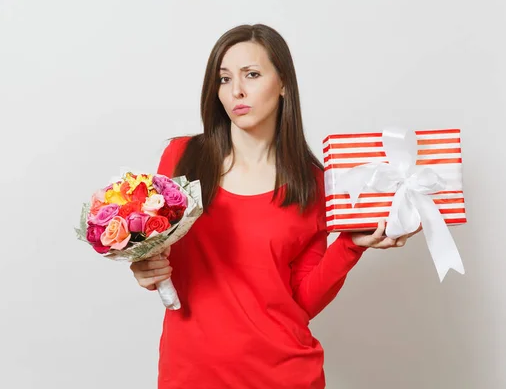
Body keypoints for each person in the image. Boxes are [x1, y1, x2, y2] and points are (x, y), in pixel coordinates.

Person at [130, 24, 419, 389]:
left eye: (251, 74)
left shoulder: (314, 185)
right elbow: (157, 255)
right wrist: (144, 267)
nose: (236, 91)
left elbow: (301, 303)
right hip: (190, 375)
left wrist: (349, 245)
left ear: (282, 83)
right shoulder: (181, 159)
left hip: (284, 374)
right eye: (223, 79)